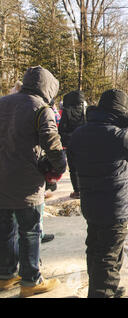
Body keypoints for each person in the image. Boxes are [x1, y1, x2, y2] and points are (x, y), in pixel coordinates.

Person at [70, 89, 128, 298]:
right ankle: (102, 292)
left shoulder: (80, 132)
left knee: (95, 247)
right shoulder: (120, 137)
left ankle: (107, 288)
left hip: (90, 205)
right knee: (109, 255)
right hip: (114, 208)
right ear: (122, 112)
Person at [0, 66, 66, 297]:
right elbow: (52, 143)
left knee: (5, 230)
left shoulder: (3, 102)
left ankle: (6, 275)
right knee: (30, 231)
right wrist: (59, 167)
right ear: (48, 87)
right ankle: (30, 280)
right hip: (26, 182)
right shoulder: (41, 109)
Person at [58, 90, 86, 199]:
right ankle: (84, 189)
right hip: (84, 143)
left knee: (73, 168)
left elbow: (62, 128)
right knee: (84, 166)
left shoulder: (67, 111)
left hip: (71, 143)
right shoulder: (85, 110)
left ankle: (77, 191)